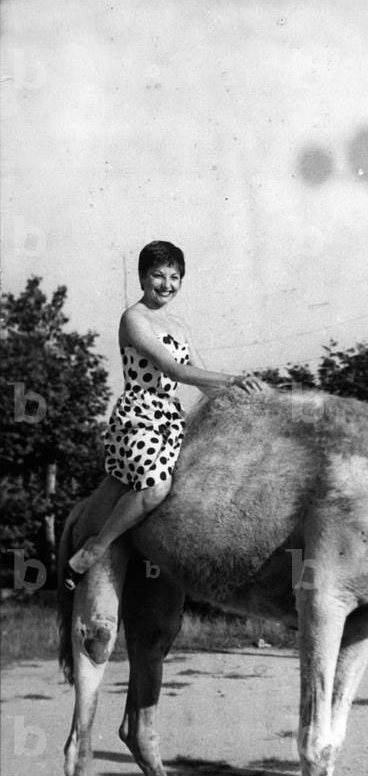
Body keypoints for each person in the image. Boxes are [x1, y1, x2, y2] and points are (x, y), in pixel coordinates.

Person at [65, 240, 263, 589]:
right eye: (158, 275)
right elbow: (176, 370)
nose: (166, 284)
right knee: (156, 489)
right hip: (139, 416)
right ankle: (93, 550)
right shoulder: (134, 318)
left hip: (173, 419)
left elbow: (203, 379)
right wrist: (235, 378)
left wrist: (247, 405)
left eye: (175, 277)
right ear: (143, 277)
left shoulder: (180, 325)